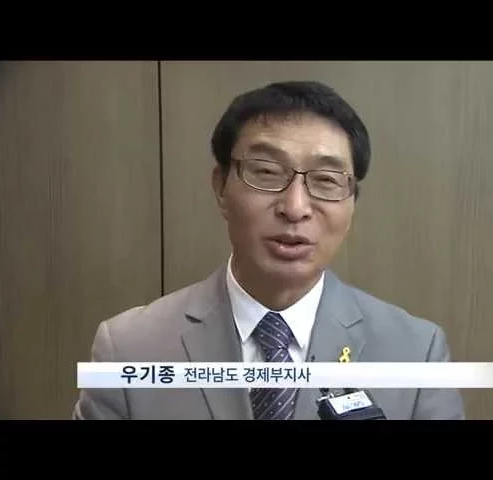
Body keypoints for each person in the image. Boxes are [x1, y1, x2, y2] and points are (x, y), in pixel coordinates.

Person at [72, 80, 465, 420]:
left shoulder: (416, 352)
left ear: (352, 204)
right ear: (221, 188)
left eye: (326, 180)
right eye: (266, 172)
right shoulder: (130, 348)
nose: (295, 207)